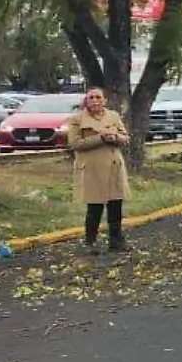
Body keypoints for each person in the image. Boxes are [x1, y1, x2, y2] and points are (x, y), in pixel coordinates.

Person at [61, 88, 132, 254]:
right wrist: (100, 138)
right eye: (91, 97)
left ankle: (116, 242)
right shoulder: (76, 119)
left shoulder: (113, 116)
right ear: (86, 101)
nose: (94, 100)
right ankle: (90, 243)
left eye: (98, 97)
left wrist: (116, 138)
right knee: (95, 208)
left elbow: (125, 138)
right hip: (91, 168)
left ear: (104, 100)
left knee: (116, 206)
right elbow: (75, 144)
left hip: (114, 166)